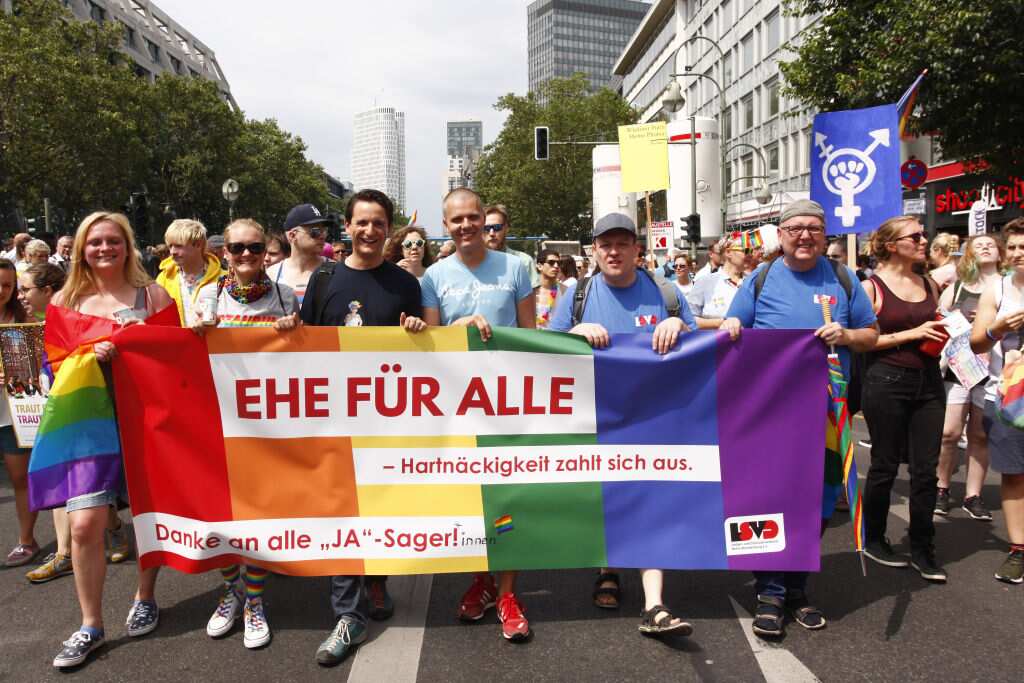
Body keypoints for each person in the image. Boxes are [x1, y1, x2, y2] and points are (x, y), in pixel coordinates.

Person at [722, 199, 878, 639]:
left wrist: (847, 335)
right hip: (773, 413)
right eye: (795, 228)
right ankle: (770, 591)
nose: (804, 235)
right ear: (781, 234)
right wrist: (733, 323)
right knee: (773, 499)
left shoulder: (846, 279)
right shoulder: (762, 277)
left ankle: (797, 587)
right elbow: (736, 322)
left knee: (820, 503)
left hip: (829, 414)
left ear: (824, 233)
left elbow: (871, 334)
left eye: (813, 228)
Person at [549, 213, 697, 635]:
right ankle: (608, 569)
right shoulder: (577, 294)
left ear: (637, 249)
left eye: (621, 244)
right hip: (597, 416)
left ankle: (655, 604)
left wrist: (678, 323)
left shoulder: (664, 291)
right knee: (609, 495)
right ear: (594, 251)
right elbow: (546, 346)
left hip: (654, 416)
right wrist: (574, 331)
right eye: (604, 245)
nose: (613, 252)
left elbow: (690, 334)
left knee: (651, 498)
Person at [300, 189, 426, 666]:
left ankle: (376, 581)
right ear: (347, 228)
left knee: (381, 508)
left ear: (388, 229)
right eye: (361, 223)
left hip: (386, 422)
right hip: (334, 420)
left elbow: (420, 350)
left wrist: (417, 332)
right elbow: (303, 347)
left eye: (378, 223)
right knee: (342, 513)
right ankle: (348, 615)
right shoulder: (324, 279)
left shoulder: (403, 283)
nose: (369, 231)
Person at [49, 212, 175, 668]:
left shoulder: (153, 294)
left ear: (128, 246)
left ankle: (145, 595)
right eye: (95, 241)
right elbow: (55, 365)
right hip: (88, 426)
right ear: (82, 248)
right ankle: (90, 625)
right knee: (84, 525)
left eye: (113, 241)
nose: (104, 248)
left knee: (146, 515)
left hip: (144, 421)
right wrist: (87, 353)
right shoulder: (66, 299)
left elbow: (174, 357)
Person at [422, 188, 535, 642]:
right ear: (445, 224)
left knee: (508, 501)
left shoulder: (517, 267)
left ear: (484, 219)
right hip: (456, 403)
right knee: (469, 499)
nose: (467, 226)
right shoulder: (433, 276)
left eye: (474, 218)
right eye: (457, 220)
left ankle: (508, 592)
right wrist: (458, 327)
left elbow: (533, 336)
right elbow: (428, 342)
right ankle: (481, 580)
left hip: (508, 402)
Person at [191, 219, 299, 650]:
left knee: (258, 515)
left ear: (266, 250)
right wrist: (196, 333)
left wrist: (295, 335)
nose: (247, 256)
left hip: (265, 425)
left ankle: (254, 600)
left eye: (255, 248)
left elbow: (302, 362)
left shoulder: (283, 295)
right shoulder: (208, 295)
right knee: (220, 516)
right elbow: (189, 357)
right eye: (238, 249)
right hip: (217, 420)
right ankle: (231, 590)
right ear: (225, 252)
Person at [859, 216, 948, 582]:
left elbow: (935, 324)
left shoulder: (928, 281)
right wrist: (915, 332)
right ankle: (875, 537)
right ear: (893, 245)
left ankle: (922, 546)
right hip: (886, 381)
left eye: (924, 234)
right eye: (915, 236)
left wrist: (946, 328)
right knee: (884, 464)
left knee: (926, 469)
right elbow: (864, 340)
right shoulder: (871, 288)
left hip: (929, 381)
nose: (923, 239)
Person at [970, 217, 1024, 584]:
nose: (1019, 254)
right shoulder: (998, 290)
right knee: (1015, 474)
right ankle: (1018, 549)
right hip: (1007, 398)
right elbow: (977, 342)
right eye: (1015, 248)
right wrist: (998, 329)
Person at [17, 263, 78, 584]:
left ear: (48, 291)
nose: (20, 295)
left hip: (78, 408)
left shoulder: (72, 316)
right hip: (55, 407)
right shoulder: (43, 320)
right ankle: (65, 554)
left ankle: (112, 531)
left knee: (82, 482)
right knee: (65, 478)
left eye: (26, 289)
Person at [936, 234, 1003, 519]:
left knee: (979, 434)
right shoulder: (958, 287)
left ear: (1000, 252)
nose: (986, 247)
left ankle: (973, 495)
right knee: (949, 433)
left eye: (991, 244)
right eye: (979, 244)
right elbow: (939, 319)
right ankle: (941, 487)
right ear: (968, 254)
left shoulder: (1010, 287)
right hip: (960, 366)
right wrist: (963, 322)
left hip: (995, 369)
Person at [1, 259, 37, 568]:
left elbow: (33, 368)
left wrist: (15, 374)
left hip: (12, 412)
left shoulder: (22, 318)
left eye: (7, 285)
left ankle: (27, 541)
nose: (1, 291)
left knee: (19, 478)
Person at [155, 219, 225, 327]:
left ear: (198, 245)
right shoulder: (163, 279)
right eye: (170, 246)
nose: (172, 252)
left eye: (178, 246)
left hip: (215, 342)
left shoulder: (225, 278)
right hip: (177, 342)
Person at [266, 203, 330, 306]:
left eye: (324, 231)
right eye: (315, 231)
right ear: (292, 235)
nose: (322, 236)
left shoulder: (336, 270)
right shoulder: (272, 274)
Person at [688, 234, 746, 330]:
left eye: (751, 251)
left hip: (748, 342)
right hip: (715, 342)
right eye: (745, 250)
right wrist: (721, 323)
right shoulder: (705, 281)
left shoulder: (753, 282)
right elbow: (689, 319)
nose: (749, 254)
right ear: (728, 252)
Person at [483, 204, 540, 289]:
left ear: (506, 228)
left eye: (497, 227)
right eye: (486, 228)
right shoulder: (470, 263)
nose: (491, 233)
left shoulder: (524, 262)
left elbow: (533, 298)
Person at [534, 248, 564, 329]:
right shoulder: (529, 291)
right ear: (540, 266)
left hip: (556, 338)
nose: (556, 266)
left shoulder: (566, 291)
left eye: (559, 263)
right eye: (551, 262)